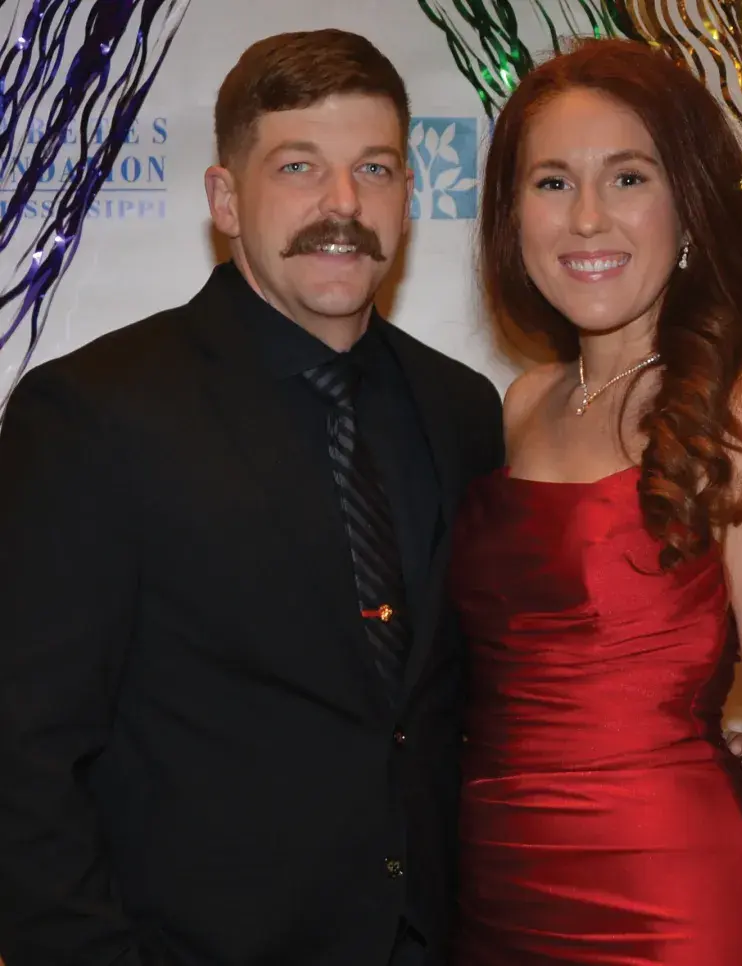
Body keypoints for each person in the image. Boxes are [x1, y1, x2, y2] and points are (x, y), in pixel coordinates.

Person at [0, 29, 505, 966]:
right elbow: (25, 753)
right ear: (226, 199)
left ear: (409, 194)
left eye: (375, 169)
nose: (343, 204)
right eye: (299, 166)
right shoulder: (92, 415)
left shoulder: (462, 410)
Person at [449, 37, 742, 966]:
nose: (587, 218)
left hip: (665, 910)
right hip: (490, 901)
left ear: (688, 205)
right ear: (512, 217)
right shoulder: (518, 407)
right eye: (552, 183)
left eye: (628, 178)